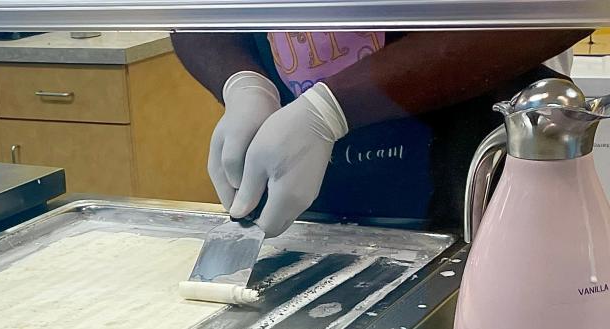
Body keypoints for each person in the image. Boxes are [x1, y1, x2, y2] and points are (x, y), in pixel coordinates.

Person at [172, 30, 590, 236]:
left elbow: (554, 12)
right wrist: (243, 82)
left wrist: (330, 110)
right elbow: (194, 16)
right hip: (305, 202)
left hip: (473, 191)